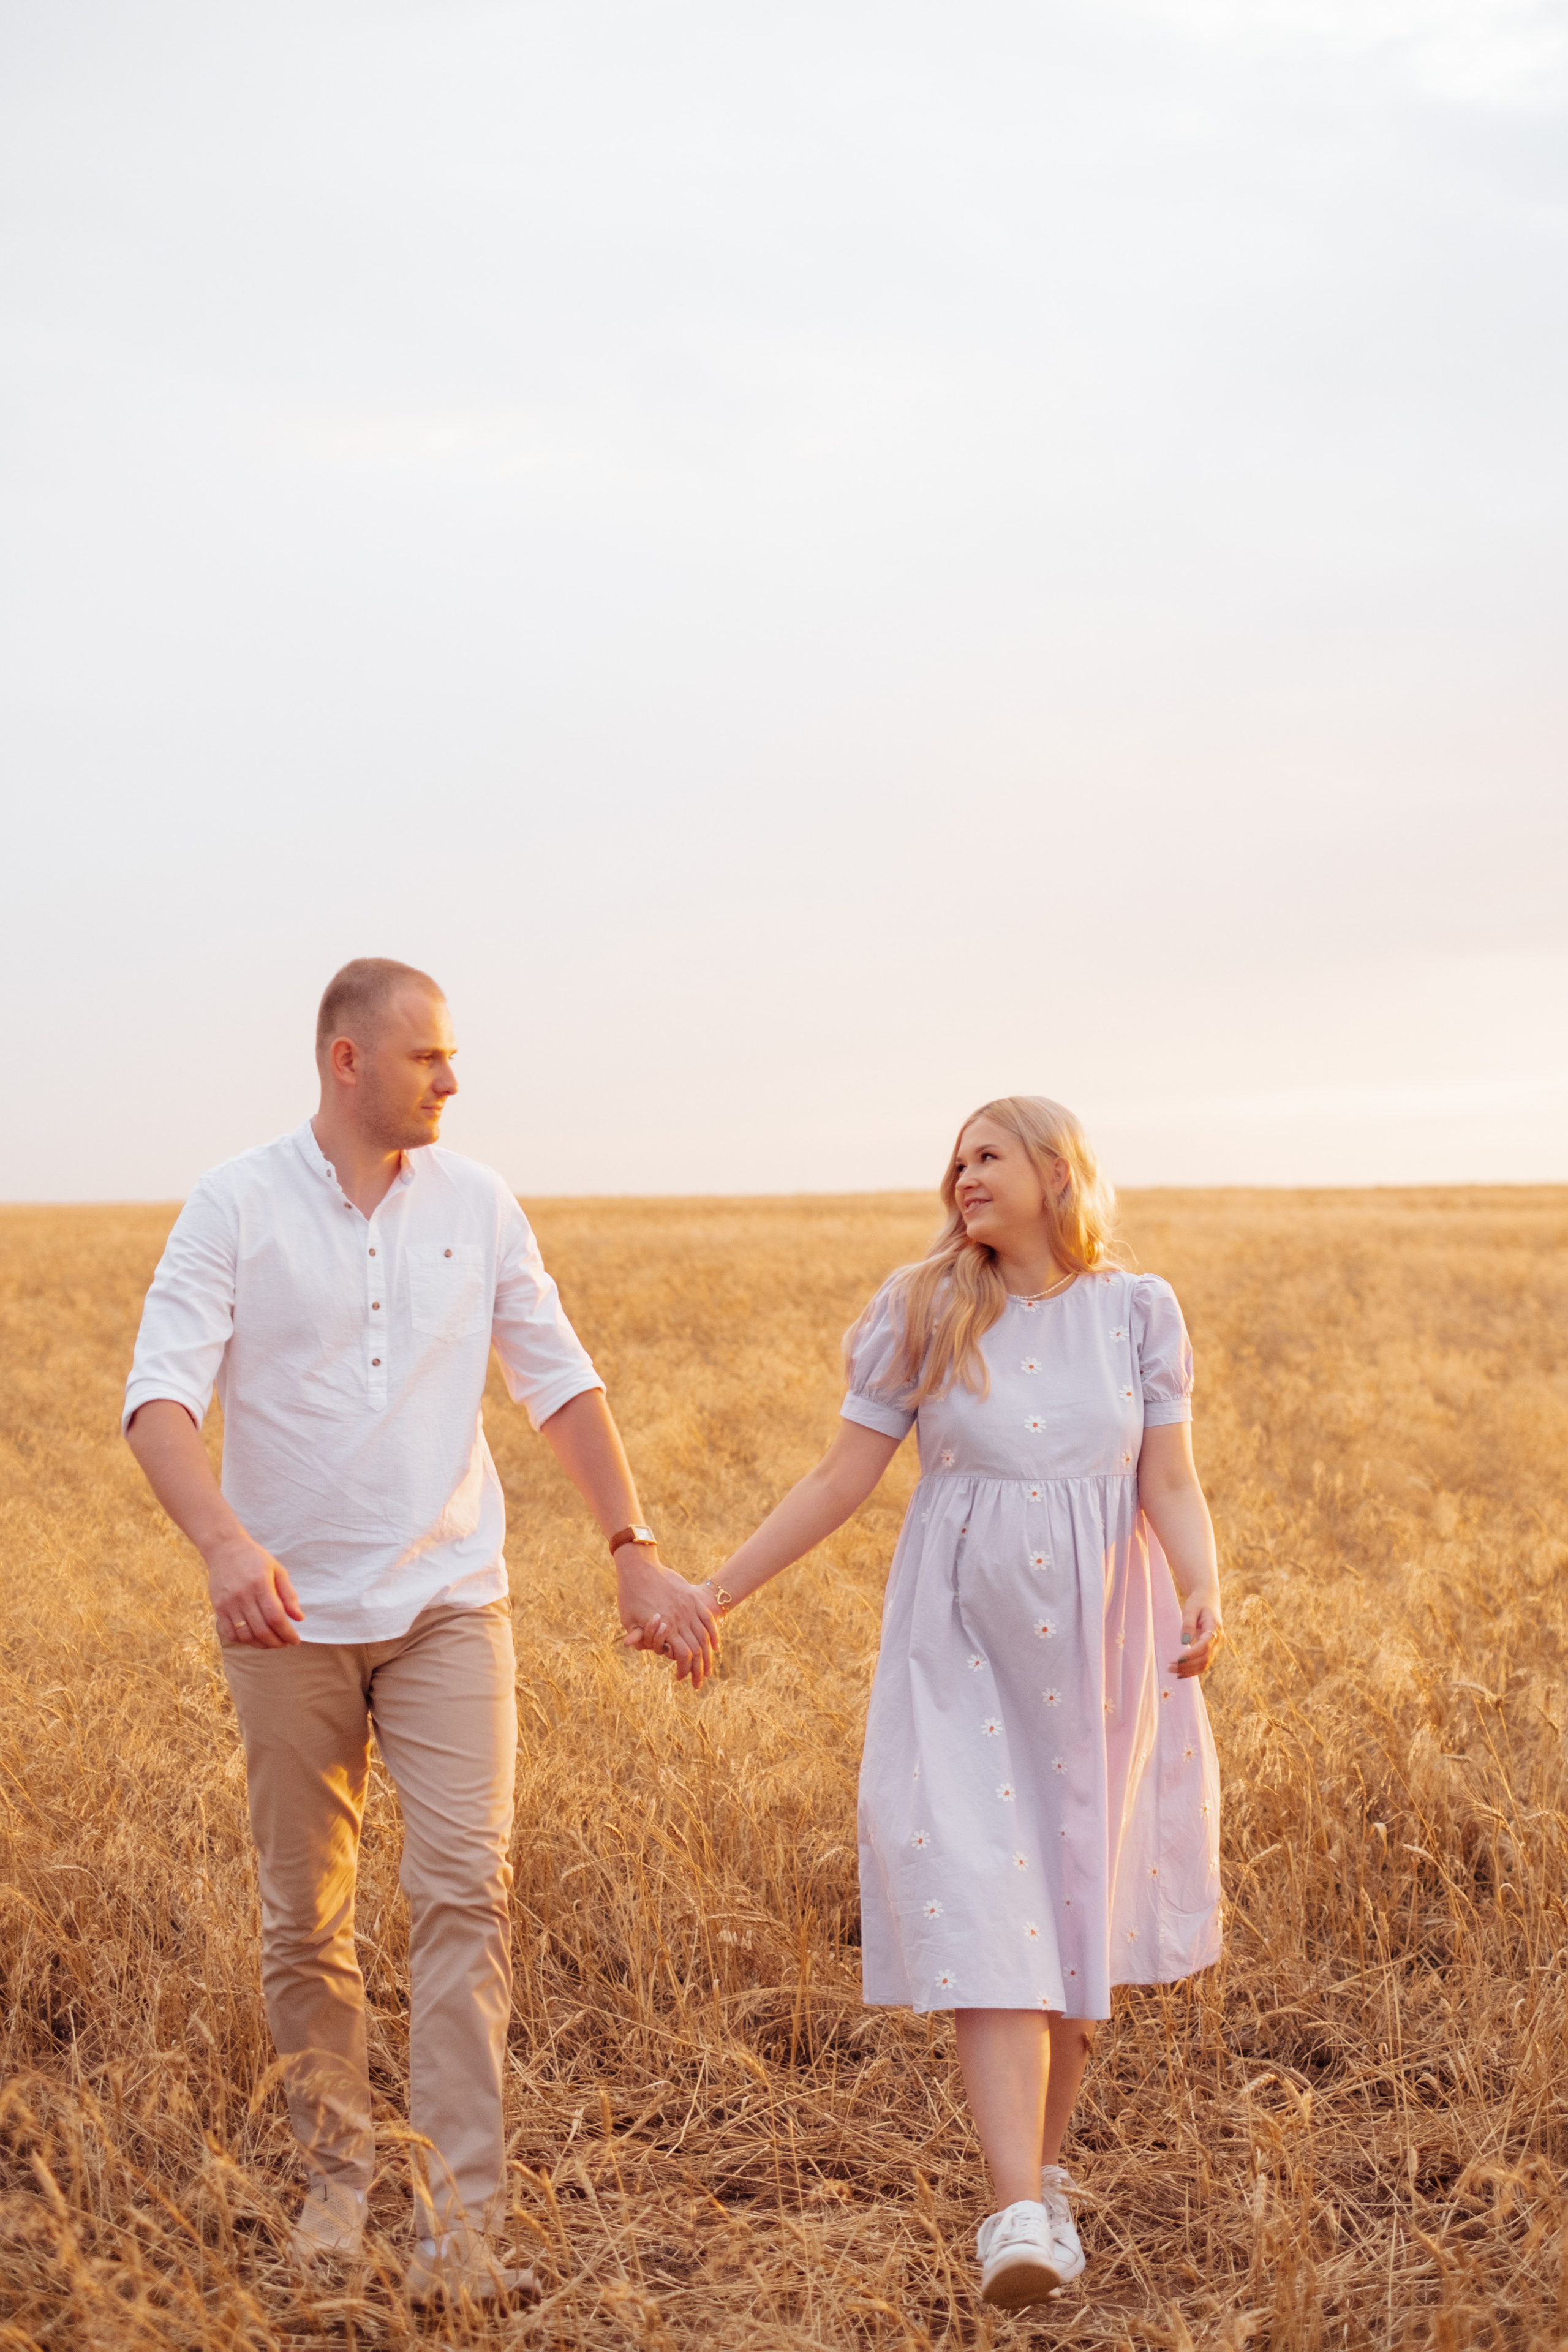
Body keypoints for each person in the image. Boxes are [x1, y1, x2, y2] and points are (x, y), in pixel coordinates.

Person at [123, 957, 718, 2304]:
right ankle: (334, 2192)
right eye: (428, 1058)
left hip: (453, 1603)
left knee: (465, 1892)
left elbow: (557, 1381)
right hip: (287, 1622)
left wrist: (631, 1552)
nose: (454, 1080)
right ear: (346, 1061)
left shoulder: (480, 1203)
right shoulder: (234, 1204)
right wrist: (224, 1544)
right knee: (304, 1914)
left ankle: (461, 2231)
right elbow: (160, 1398)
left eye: (452, 1060)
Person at [675, 1095, 1223, 2310]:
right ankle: (1012, 2211)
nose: (960, 1176)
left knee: (1076, 1917)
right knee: (988, 1907)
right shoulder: (921, 1310)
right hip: (958, 1648)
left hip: (1101, 1649)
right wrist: (716, 1595)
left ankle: (1043, 2175)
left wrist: (1201, 1588)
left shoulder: (1136, 1311)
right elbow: (841, 1476)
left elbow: (1169, 1481)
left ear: (1051, 1170)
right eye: (955, 1159)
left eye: (986, 1155)